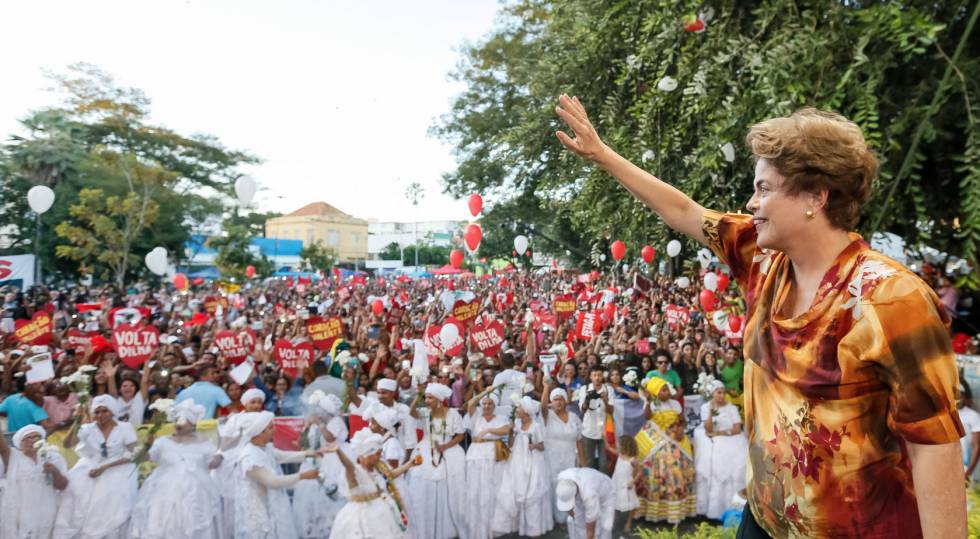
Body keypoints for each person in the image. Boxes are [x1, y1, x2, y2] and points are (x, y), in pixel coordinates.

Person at [556, 96, 967, 537]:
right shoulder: (761, 258)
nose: (751, 203)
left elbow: (934, 448)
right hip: (762, 522)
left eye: (764, 188)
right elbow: (683, 212)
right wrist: (603, 155)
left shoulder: (892, 299)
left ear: (815, 196)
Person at [129, 399, 223, 539]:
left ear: (192, 424)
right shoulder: (163, 442)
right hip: (164, 489)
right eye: (177, 419)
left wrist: (221, 455)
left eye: (184, 420)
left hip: (196, 490)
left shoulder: (203, 443)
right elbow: (145, 457)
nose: (179, 423)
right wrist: (146, 445)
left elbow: (212, 463)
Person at [55, 394, 139, 539]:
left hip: (117, 467)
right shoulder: (87, 428)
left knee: (110, 501)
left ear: (112, 411)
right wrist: (78, 420)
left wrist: (105, 467)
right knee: (76, 499)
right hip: (89, 466)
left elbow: (133, 455)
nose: (100, 415)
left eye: (104, 411)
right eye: (97, 411)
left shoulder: (125, 428)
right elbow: (67, 444)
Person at [232, 411, 321, 539]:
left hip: (273, 503)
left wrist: (309, 453)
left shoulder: (264, 447)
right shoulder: (249, 458)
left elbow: (281, 455)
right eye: (270, 428)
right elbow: (271, 481)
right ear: (259, 432)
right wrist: (303, 476)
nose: (274, 430)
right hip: (260, 510)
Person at [326, 429, 416, 539]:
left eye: (379, 453)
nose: (379, 457)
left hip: (382, 512)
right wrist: (338, 451)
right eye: (376, 454)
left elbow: (390, 475)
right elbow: (349, 467)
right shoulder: (357, 473)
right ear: (365, 456)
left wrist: (409, 464)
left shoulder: (377, 468)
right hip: (363, 516)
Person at [408, 383, 467, 539]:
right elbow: (412, 412)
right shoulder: (426, 413)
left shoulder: (452, 414)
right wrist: (418, 395)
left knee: (447, 487)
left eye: (429, 397)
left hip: (448, 450)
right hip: (426, 449)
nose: (427, 400)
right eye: (426, 397)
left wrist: (445, 446)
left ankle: (445, 527)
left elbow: (460, 435)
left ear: (439, 400)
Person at [492, 396, 553, 537]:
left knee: (531, 491)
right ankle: (516, 524)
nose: (517, 410)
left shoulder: (536, 426)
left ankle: (533, 528)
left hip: (532, 461)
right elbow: (511, 443)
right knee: (515, 488)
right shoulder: (517, 424)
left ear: (526, 410)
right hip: (517, 460)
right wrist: (511, 431)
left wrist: (534, 445)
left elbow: (542, 446)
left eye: (519, 408)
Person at [0, 424, 70, 539]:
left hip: (47, 512)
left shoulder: (53, 457)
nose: (32, 440)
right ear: (20, 444)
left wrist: (54, 471)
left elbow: (64, 486)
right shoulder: (14, 458)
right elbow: (2, 448)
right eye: (28, 438)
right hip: (20, 515)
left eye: (36, 437)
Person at [293, 393, 347, 539]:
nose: (317, 412)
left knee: (331, 495)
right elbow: (303, 445)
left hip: (334, 460)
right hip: (315, 459)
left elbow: (330, 438)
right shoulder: (314, 424)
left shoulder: (336, 421)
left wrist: (320, 424)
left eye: (320, 409)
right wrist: (307, 427)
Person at [215, 388, 266, 539]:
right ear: (245, 403)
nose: (257, 405)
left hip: (258, 459)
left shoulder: (265, 417)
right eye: (253, 402)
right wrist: (241, 434)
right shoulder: (235, 419)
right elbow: (225, 442)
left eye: (259, 402)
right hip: (236, 461)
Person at [693, 379, 748, 520]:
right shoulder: (706, 407)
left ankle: (734, 505)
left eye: (724, 393)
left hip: (729, 436)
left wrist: (720, 433)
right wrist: (711, 411)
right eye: (719, 393)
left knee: (738, 454)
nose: (722, 396)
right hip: (712, 436)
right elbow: (708, 429)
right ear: (713, 394)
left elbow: (736, 429)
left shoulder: (732, 408)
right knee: (714, 453)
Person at [634, 408, 696, 525]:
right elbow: (648, 418)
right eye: (662, 390)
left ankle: (673, 512)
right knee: (656, 477)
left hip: (673, 448)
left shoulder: (675, 406)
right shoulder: (651, 405)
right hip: (654, 448)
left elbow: (679, 432)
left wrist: (679, 426)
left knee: (674, 476)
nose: (666, 392)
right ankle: (653, 512)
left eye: (667, 390)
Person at [464, 390, 510, 539]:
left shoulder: (501, 418)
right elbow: (471, 403)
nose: (487, 406)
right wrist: (487, 391)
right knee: (477, 489)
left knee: (494, 487)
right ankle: (478, 524)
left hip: (493, 456)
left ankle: (494, 524)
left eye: (490, 403)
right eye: (484, 403)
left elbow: (507, 430)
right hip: (476, 456)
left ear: (495, 405)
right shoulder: (475, 416)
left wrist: (489, 430)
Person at [541, 378, 585, 524]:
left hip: (570, 457)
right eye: (555, 400)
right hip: (552, 458)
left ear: (566, 401)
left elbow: (579, 440)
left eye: (561, 399)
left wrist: (583, 463)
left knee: (570, 486)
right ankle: (557, 518)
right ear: (551, 402)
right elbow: (542, 407)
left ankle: (569, 517)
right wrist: (546, 388)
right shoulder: (548, 417)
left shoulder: (574, 418)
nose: (558, 402)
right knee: (555, 485)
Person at [554, 467, 616, 539]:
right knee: (575, 521)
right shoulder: (562, 477)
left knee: (606, 527)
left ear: (575, 494)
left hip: (606, 495)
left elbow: (591, 529)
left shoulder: (589, 495)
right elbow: (567, 502)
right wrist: (570, 511)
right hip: (586, 489)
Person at [578, 365, 613, 473]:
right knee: (589, 462)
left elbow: (611, 411)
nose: (597, 378)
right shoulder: (584, 389)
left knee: (604, 464)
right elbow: (582, 410)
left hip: (605, 432)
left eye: (599, 375)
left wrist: (605, 400)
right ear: (590, 377)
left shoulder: (608, 389)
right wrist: (588, 399)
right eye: (594, 375)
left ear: (603, 376)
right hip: (588, 430)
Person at [606, 435, 641, 534]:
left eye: (619, 444)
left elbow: (639, 472)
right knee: (614, 501)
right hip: (616, 483)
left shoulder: (632, 460)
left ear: (625, 446)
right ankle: (613, 520)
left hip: (626, 484)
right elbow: (608, 448)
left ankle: (628, 522)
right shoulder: (620, 455)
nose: (617, 445)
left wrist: (633, 481)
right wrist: (604, 436)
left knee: (631, 503)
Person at [957, 380, 980, 481]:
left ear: (965, 396)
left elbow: (977, 446)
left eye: (959, 395)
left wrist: (968, 472)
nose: (957, 399)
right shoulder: (947, 415)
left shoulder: (973, 416)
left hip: (966, 467)